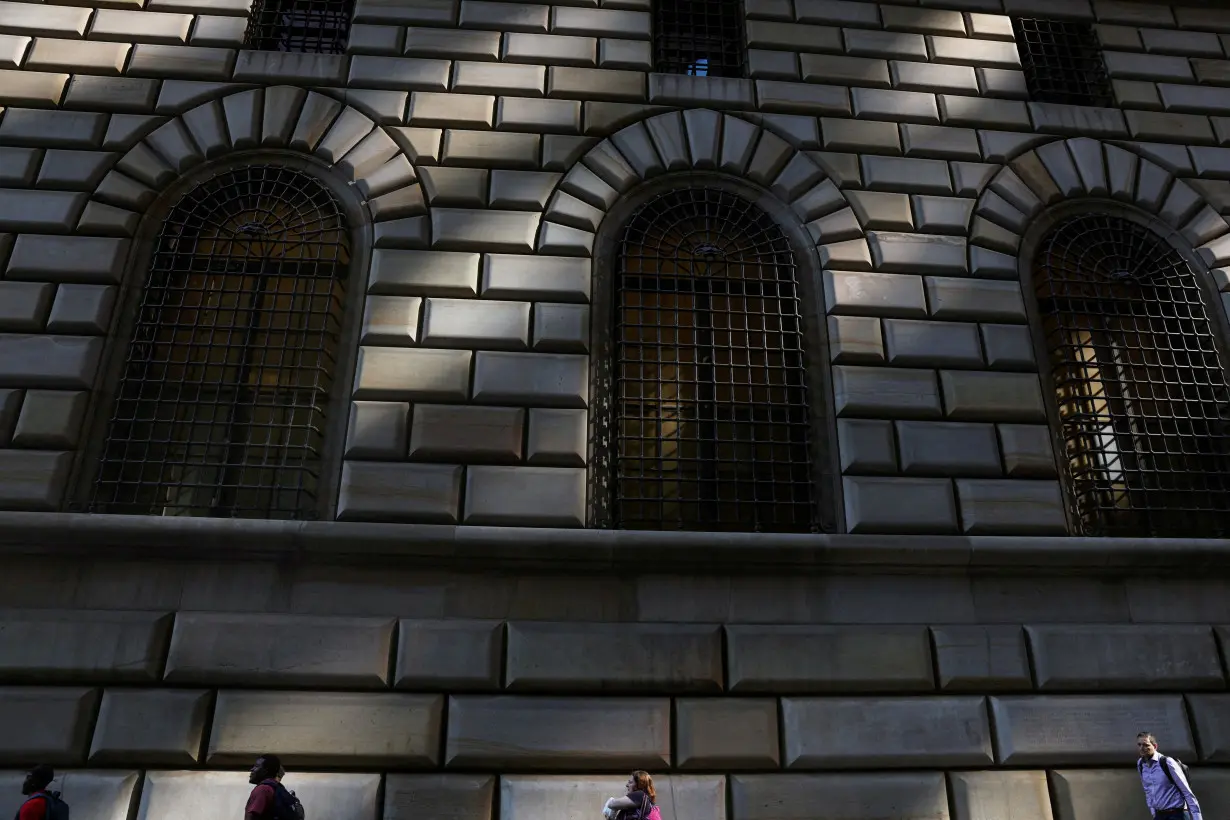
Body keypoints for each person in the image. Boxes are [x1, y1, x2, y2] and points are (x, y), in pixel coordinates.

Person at [1137, 731, 1202, 820]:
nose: (1142, 748)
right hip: (1159, 815)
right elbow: (1147, 790)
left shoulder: (1167, 762)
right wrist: (1153, 813)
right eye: (1139, 745)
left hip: (1176, 814)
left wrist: (1197, 818)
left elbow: (1186, 791)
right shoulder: (1141, 764)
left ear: (1155, 746)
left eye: (1145, 745)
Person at [245, 755, 303, 820]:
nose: (252, 769)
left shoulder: (263, 789)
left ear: (265, 770)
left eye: (256, 766)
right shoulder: (279, 789)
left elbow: (253, 816)